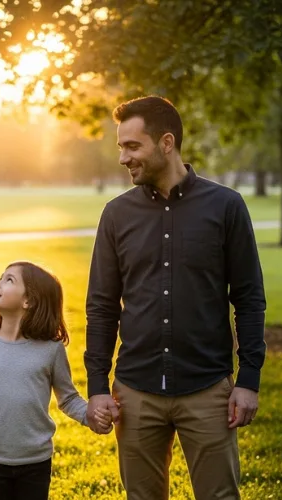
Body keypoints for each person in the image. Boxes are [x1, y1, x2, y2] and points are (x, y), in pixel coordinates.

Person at [84, 96, 266, 499]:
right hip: (135, 391)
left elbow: (249, 298)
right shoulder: (116, 215)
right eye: (120, 147)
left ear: (166, 143)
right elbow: (101, 306)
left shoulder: (226, 207)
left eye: (132, 146)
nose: (122, 158)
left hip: (208, 390)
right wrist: (98, 385)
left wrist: (248, 379)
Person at [0, 261, 111, 500]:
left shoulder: (51, 349)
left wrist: (91, 416)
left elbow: (68, 398)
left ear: (29, 301)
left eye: (9, 280)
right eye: (1, 277)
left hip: (36, 461)